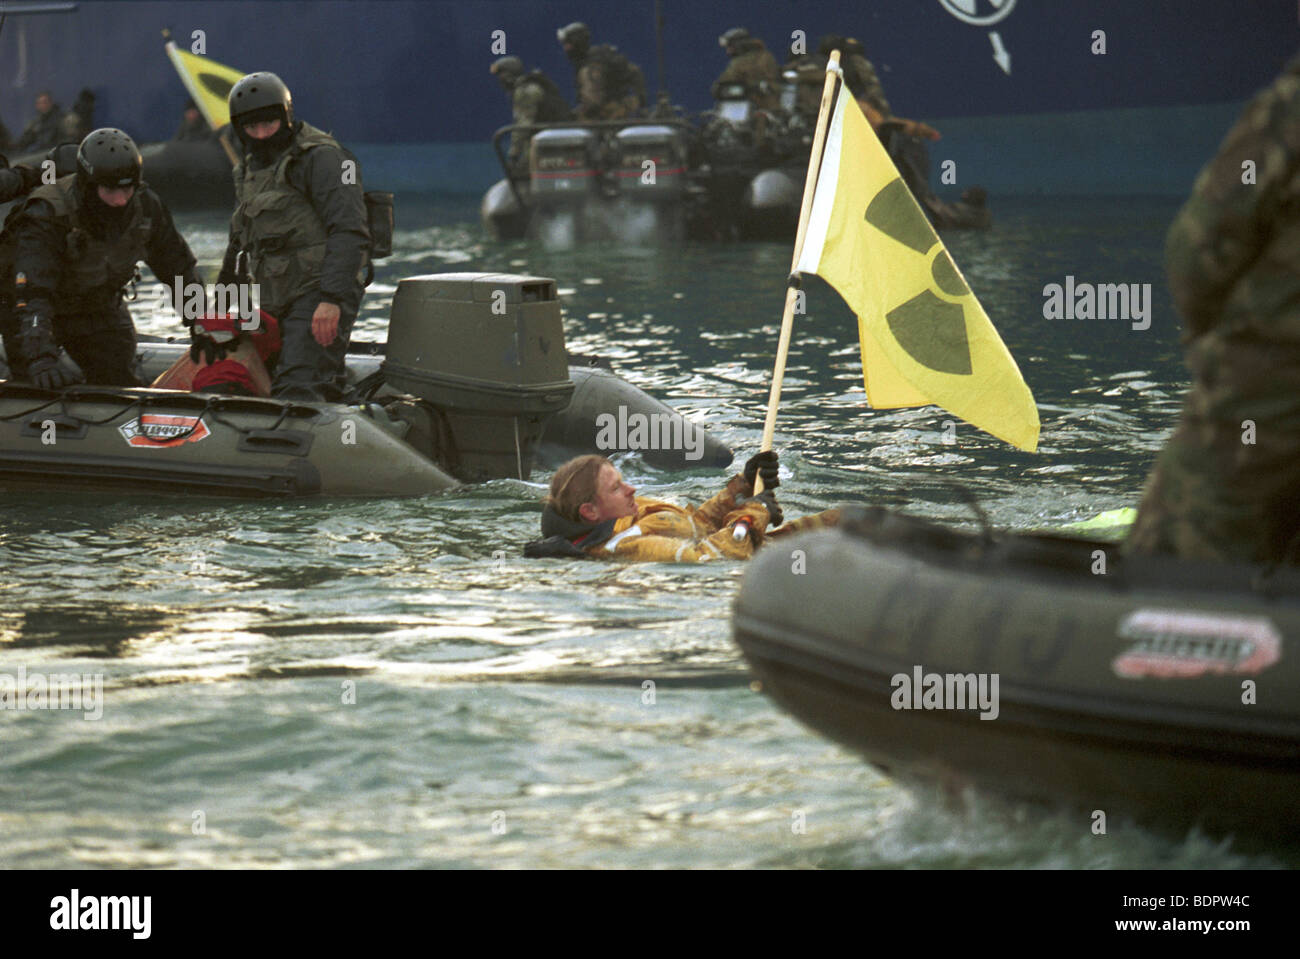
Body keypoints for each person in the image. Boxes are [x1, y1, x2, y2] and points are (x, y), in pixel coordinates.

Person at [1126, 54, 1300, 565]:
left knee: (1176, 555)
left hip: (1273, 395)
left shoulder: (1289, 111)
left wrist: (1224, 346)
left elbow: (1198, 253)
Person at [0, 128, 201, 389]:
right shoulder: (48, 215)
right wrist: (40, 355)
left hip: (96, 304)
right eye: (109, 190)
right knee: (35, 382)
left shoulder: (146, 208)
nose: (120, 201)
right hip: (29, 308)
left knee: (118, 378)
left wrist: (200, 324)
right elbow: (33, 292)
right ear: (88, 185)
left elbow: (179, 269)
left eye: (127, 189)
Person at [216, 71, 370, 403]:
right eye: (251, 128)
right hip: (275, 295)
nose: (260, 134)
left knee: (299, 389)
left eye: (268, 124)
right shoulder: (247, 171)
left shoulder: (321, 158)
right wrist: (219, 306)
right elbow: (239, 245)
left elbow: (349, 230)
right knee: (250, 381)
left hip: (319, 290)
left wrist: (330, 299)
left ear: (285, 118)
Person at [525, 451, 841, 562]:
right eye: (616, 487)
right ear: (590, 512)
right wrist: (754, 512)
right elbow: (710, 557)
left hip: (773, 547)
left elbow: (696, 524)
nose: (631, 488)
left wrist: (742, 487)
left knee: (846, 519)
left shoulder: (626, 514)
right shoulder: (628, 547)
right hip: (769, 563)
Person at [489, 56, 573, 174]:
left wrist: (514, 153)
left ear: (509, 75)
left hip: (546, 140)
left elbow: (523, 125)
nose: (500, 80)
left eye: (501, 75)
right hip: (555, 136)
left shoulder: (525, 92)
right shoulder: (533, 85)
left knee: (521, 173)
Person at [556, 21, 646, 121]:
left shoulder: (589, 68)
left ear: (576, 43)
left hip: (608, 118)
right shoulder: (603, 56)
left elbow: (592, 103)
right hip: (624, 110)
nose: (565, 49)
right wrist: (639, 100)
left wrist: (574, 115)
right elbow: (635, 72)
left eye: (568, 44)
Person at [711, 28, 782, 113]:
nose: (728, 51)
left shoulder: (764, 58)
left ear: (738, 44)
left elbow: (773, 83)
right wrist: (718, 88)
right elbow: (725, 80)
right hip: (738, 105)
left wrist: (759, 87)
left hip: (763, 106)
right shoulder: (736, 63)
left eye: (730, 46)